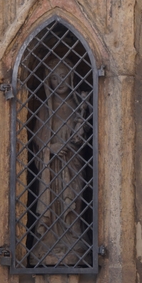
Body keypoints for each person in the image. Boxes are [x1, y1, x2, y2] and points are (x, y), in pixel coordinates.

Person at [30, 58, 91, 267]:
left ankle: (73, 238)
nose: (61, 81)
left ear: (72, 77)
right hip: (52, 165)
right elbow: (38, 137)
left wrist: (76, 137)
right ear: (49, 81)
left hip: (72, 162)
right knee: (53, 199)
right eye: (55, 77)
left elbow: (81, 135)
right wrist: (50, 148)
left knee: (72, 199)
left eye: (65, 76)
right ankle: (48, 240)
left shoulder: (76, 104)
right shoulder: (46, 108)